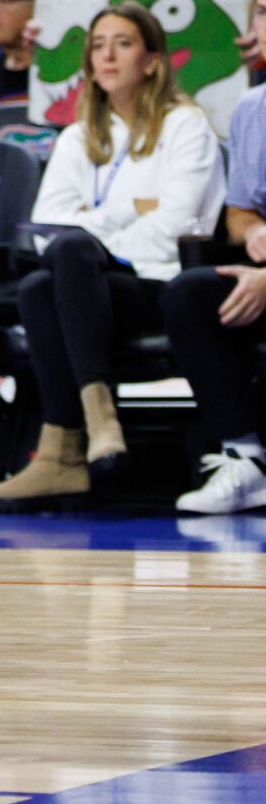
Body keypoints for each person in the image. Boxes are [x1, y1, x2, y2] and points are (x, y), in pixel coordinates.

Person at [0, 3, 224, 506]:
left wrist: (93, 232)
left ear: (152, 61)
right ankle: (84, 434)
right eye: (97, 45)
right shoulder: (77, 136)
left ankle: (69, 445)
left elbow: (177, 227)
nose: (107, 55)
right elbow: (47, 230)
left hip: (160, 286)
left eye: (123, 43)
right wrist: (128, 214)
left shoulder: (186, 126)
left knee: (71, 255)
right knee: (44, 278)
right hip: (88, 291)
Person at [159, 75, 266, 514]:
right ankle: (246, 458)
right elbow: (240, 213)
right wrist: (254, 231)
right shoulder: (253, 107)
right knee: (190, 295)